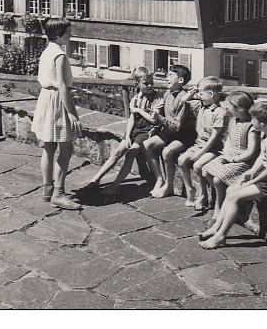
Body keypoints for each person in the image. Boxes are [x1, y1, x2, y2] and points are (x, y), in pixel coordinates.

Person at [199, 100, 267, 249]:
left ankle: (220, 237)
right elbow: (262, 159)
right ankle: (216, 227)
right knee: (231, 190)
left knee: (236, 196)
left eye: (253, 118)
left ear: (262, 123)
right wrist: (251, 172)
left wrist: (250, 182)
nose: (251, 121)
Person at [83, 66, 162, 194]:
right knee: (118, 152)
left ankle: (115, 186)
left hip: (146, 131)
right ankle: (95, 179)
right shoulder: (136, 99)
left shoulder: (157, 98)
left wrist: (138, 110)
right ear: (137, 84)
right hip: (135, 129)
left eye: (151, 82)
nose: (149, 86)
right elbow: (131, 119)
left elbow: (153, 120)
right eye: (146, 83)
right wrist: (128, 136)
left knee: (131, 154)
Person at [32, 17, 82, 210]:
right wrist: (70, 113)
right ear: (58, 34)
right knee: (66, 148)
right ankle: (58, 194)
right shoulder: (59, 55)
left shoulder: (46, 52)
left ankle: (47, 189)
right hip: (57, 101)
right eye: (68, 32)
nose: (71, 35)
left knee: (49, 147)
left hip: (46, 98)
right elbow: (62, 85)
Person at [202, 91, 258, 220]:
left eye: (229, 106)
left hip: (242, 161)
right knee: (205, 171)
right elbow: (229, 140)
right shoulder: (234, 120)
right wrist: (226, 153)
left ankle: (219, 205)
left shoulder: (251, 127)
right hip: (229, 156)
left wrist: (233, 159)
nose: (227, 108)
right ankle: (220, 198)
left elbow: (251, 152)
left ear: (239, 109)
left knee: (217, 179)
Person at [144, 64, 197, 198]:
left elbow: (177, 126)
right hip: (168, 133)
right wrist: (156, 127)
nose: (167, 78)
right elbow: (165, 117)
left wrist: (159, 118)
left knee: (167, 152)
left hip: (184, 136)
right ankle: (159, 178)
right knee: (147, 145)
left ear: (180, 81)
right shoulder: (168, 93)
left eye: (170, 76)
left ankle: (169, 185)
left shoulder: (184, 99)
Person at [177, 76, 228, 212]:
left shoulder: (219, 112)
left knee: (198, 165)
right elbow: (184, 100)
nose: (199, 96)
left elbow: (214, 137)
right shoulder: (201, 105)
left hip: (212, 147)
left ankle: (203, 194)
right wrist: (194, 91)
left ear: (211, 94)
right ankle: (190, 188)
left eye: (201, 93)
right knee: (181, 160)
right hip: (198, 143)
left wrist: (201, 152)